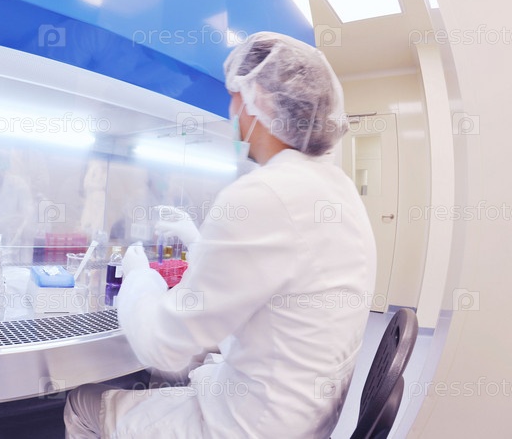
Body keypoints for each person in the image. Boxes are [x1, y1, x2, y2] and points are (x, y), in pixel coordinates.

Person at [63, 32, 377, 438]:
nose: (231, 110)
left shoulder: (267, 192)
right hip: (303, 417)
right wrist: (198, 242)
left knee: (83, 402)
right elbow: (274, 274)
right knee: (193, 367)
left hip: (249, 428)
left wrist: (139, 278)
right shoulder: (337, 189)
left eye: (234, 96)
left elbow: (162, 346)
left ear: (259, 99)